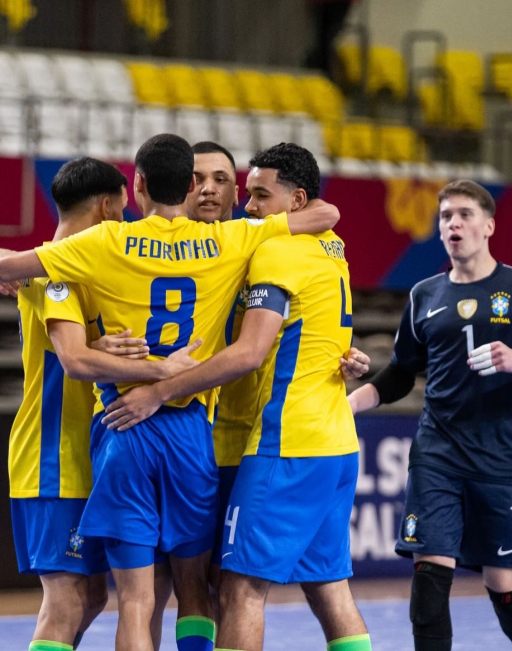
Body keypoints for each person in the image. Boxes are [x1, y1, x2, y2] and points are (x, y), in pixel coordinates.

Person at [0, 134, 340, 651]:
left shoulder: (99, 246)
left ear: (135, 186)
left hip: (122, 426)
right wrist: (262, 223)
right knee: (195, 589)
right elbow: (324, 216)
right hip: (191, 433)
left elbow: (17, 271)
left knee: (136, 599)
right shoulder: (232, 241)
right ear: (188, 186)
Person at [101, 142, 373, 651]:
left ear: (295, 203)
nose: (239, 200)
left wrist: (158, 392)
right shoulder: (327, 246)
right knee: (324, 586)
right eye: (198, 179)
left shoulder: (268, 247)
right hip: (309, 440)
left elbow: (250, 351)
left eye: (245, 189)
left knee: (237, 589)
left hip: (278, 441)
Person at [346, 179, 512, 651]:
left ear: (489, 226)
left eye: (464, 214)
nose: (453, 223)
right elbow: (400, 375)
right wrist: (345, 406)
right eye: (445, 216)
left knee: (506, 588)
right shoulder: (423, 295)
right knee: (430, 576)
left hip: (501, 459)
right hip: (437, 454)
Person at [9, 156, 201, 651]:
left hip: (87, 451)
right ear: (104, 206)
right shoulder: (60, 272)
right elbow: (74, 359)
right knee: (69, 598)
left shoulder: (63, 263)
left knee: (92, 595)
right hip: (54, 455)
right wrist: (161, 373)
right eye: (121, 206)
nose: (127, 217)